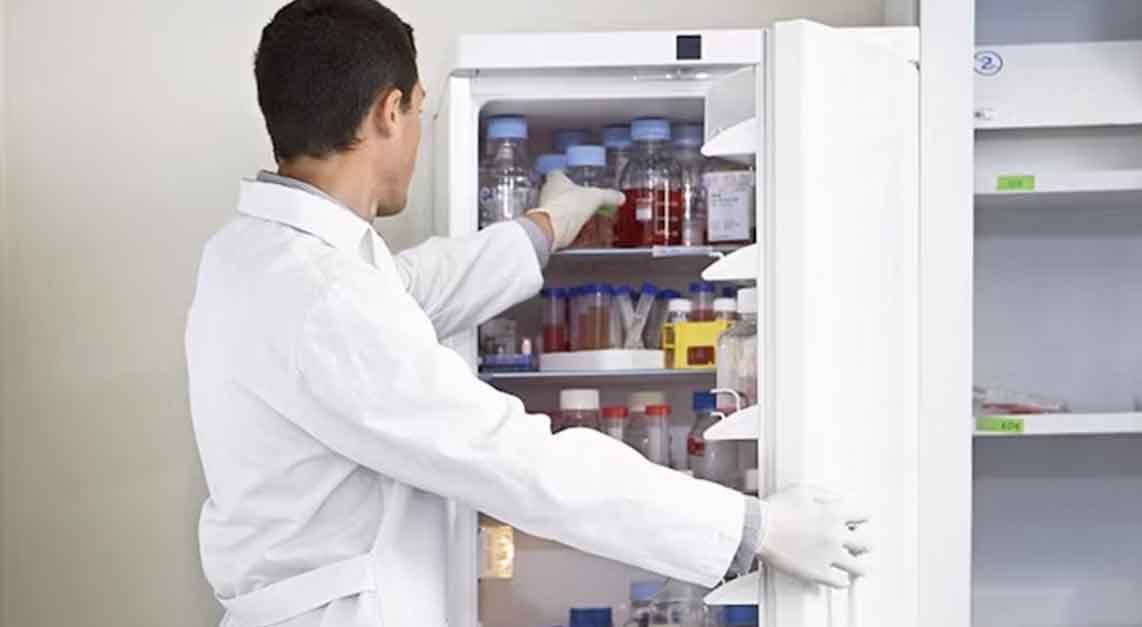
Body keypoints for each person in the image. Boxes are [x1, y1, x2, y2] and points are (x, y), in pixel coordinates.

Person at [185, 2, 871, 626]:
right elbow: (513, 458)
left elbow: (404, 288)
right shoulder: (322, 293)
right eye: (420, 112)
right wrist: (753, 526)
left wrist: (543, 227)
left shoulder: (260, 257)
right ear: (389, 112)